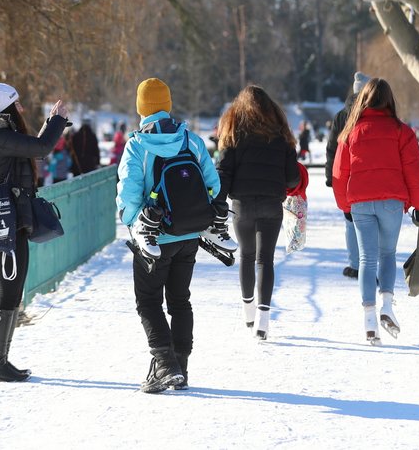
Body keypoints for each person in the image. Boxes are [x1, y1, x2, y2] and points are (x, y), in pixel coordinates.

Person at [0, 73, 69, 382]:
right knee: (8, 295)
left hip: (13, 222)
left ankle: (0, 362)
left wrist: (51, 122)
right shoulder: (1, 136)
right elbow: (41, 148)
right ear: (6, 109)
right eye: (17, 104)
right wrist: (56, 121)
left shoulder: (1, 134)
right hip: (8, 225)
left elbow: (34, 147)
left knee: (12, 293)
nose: (21, 108)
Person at [116, 77, 226, 393]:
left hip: (155, 238)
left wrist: (136, 224)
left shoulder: (137, 145)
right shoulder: (190, 139)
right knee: (180, 299)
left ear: (141, 108)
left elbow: (129, 196)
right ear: (167, 105)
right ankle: (181, 367)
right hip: (188, 234)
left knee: (148, 300)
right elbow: (213, 185)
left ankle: (164, 364)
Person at [332, 77, 419, 345]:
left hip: (361, 202)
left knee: (366, 260)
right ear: (389, 100)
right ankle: (387, 303)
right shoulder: (402, 132)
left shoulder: (350, 133)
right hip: (392, 202)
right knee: (387, 254)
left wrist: (345, 206)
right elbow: (414, 171)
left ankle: (369, 319)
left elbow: (340, 174)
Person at [215, 85, 300, 340]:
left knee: (247, 256)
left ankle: (248, 313)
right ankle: (263, 319)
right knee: (266, 259)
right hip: (272, 203)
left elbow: (223, 172)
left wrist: (218, 202)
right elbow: (292, 177)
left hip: (242, 203)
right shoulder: (280, 136)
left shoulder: (233, 133)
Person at [325, 71, 368, 279]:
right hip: (369, 176)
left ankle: (354, 263)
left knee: (350, 221)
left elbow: (332, 148)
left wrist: (329, 176)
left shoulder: (342, 115)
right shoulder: (374, 114)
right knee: (371, 222)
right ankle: (370, 265)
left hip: (346, 177)